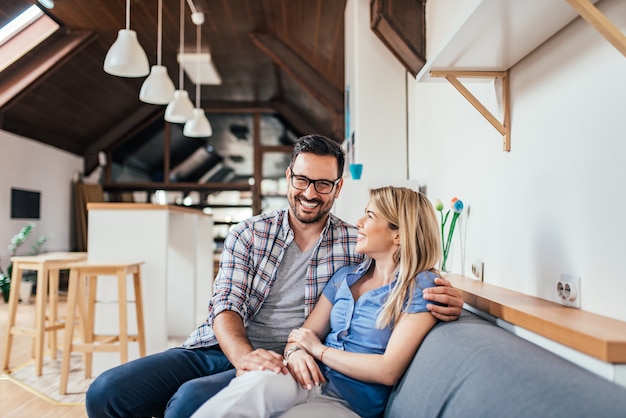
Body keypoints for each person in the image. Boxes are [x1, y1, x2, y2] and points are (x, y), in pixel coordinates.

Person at [85, 134, 463, 418]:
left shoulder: (356, 244)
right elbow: (226, 304)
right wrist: (244, 356)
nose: (310, 193)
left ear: (338, 188)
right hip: (222, 348)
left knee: (186, 403)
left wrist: (450, 295)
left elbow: (407, 263)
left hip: (286, 361)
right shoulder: (249, 232)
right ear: (288, 177)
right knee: (106, 392)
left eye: (322, 184)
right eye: (302, 180)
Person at [190, 186, 442, 418]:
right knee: (254, 384)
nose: (359, 222)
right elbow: (301, 336)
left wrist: (318, 350)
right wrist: (297, 352)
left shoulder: (419, 287)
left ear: (398, 235)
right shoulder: (346, 277)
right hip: (304, 377)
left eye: (370, 216)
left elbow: (387, 370)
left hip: (347, 402)